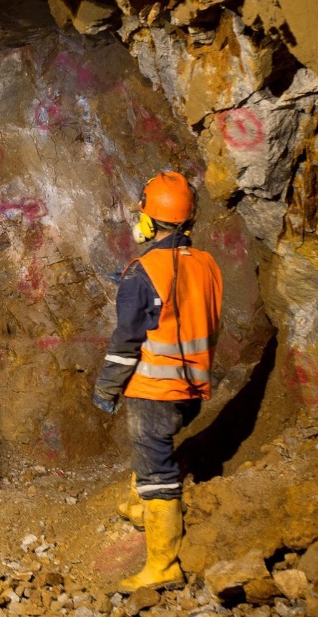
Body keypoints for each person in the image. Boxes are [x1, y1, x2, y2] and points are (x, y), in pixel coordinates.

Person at [91, 170, 222, 593]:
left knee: (156, 466)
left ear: (149, 221)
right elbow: (189, 314)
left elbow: (126, 341)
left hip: (153, 390)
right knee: (156, 447)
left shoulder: (142, 271)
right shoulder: (207, 265)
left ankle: (163, 564)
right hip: (192, 388)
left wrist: (107, 387)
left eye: (141, 214)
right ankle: (137, 507)